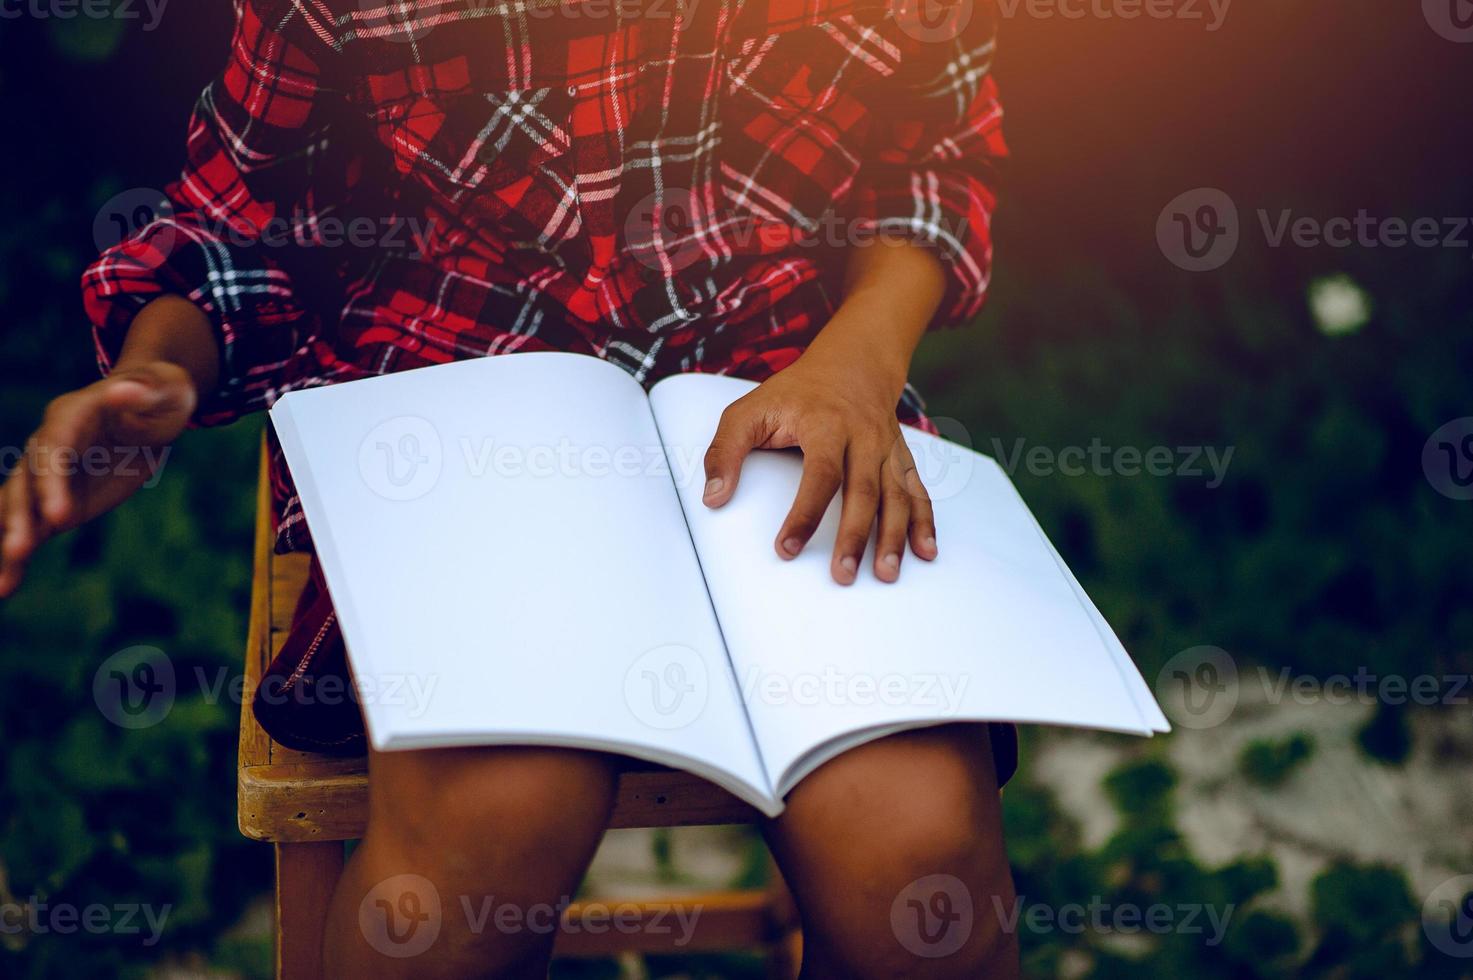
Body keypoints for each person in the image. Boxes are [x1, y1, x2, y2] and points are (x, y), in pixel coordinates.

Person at [0, 0, 1018, 974]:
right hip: (463, 397)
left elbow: (929, 158)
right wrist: (156, 369)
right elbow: (238, 219)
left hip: (797, 384)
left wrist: (861, 362)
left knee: (920, 874)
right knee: (488, 839)